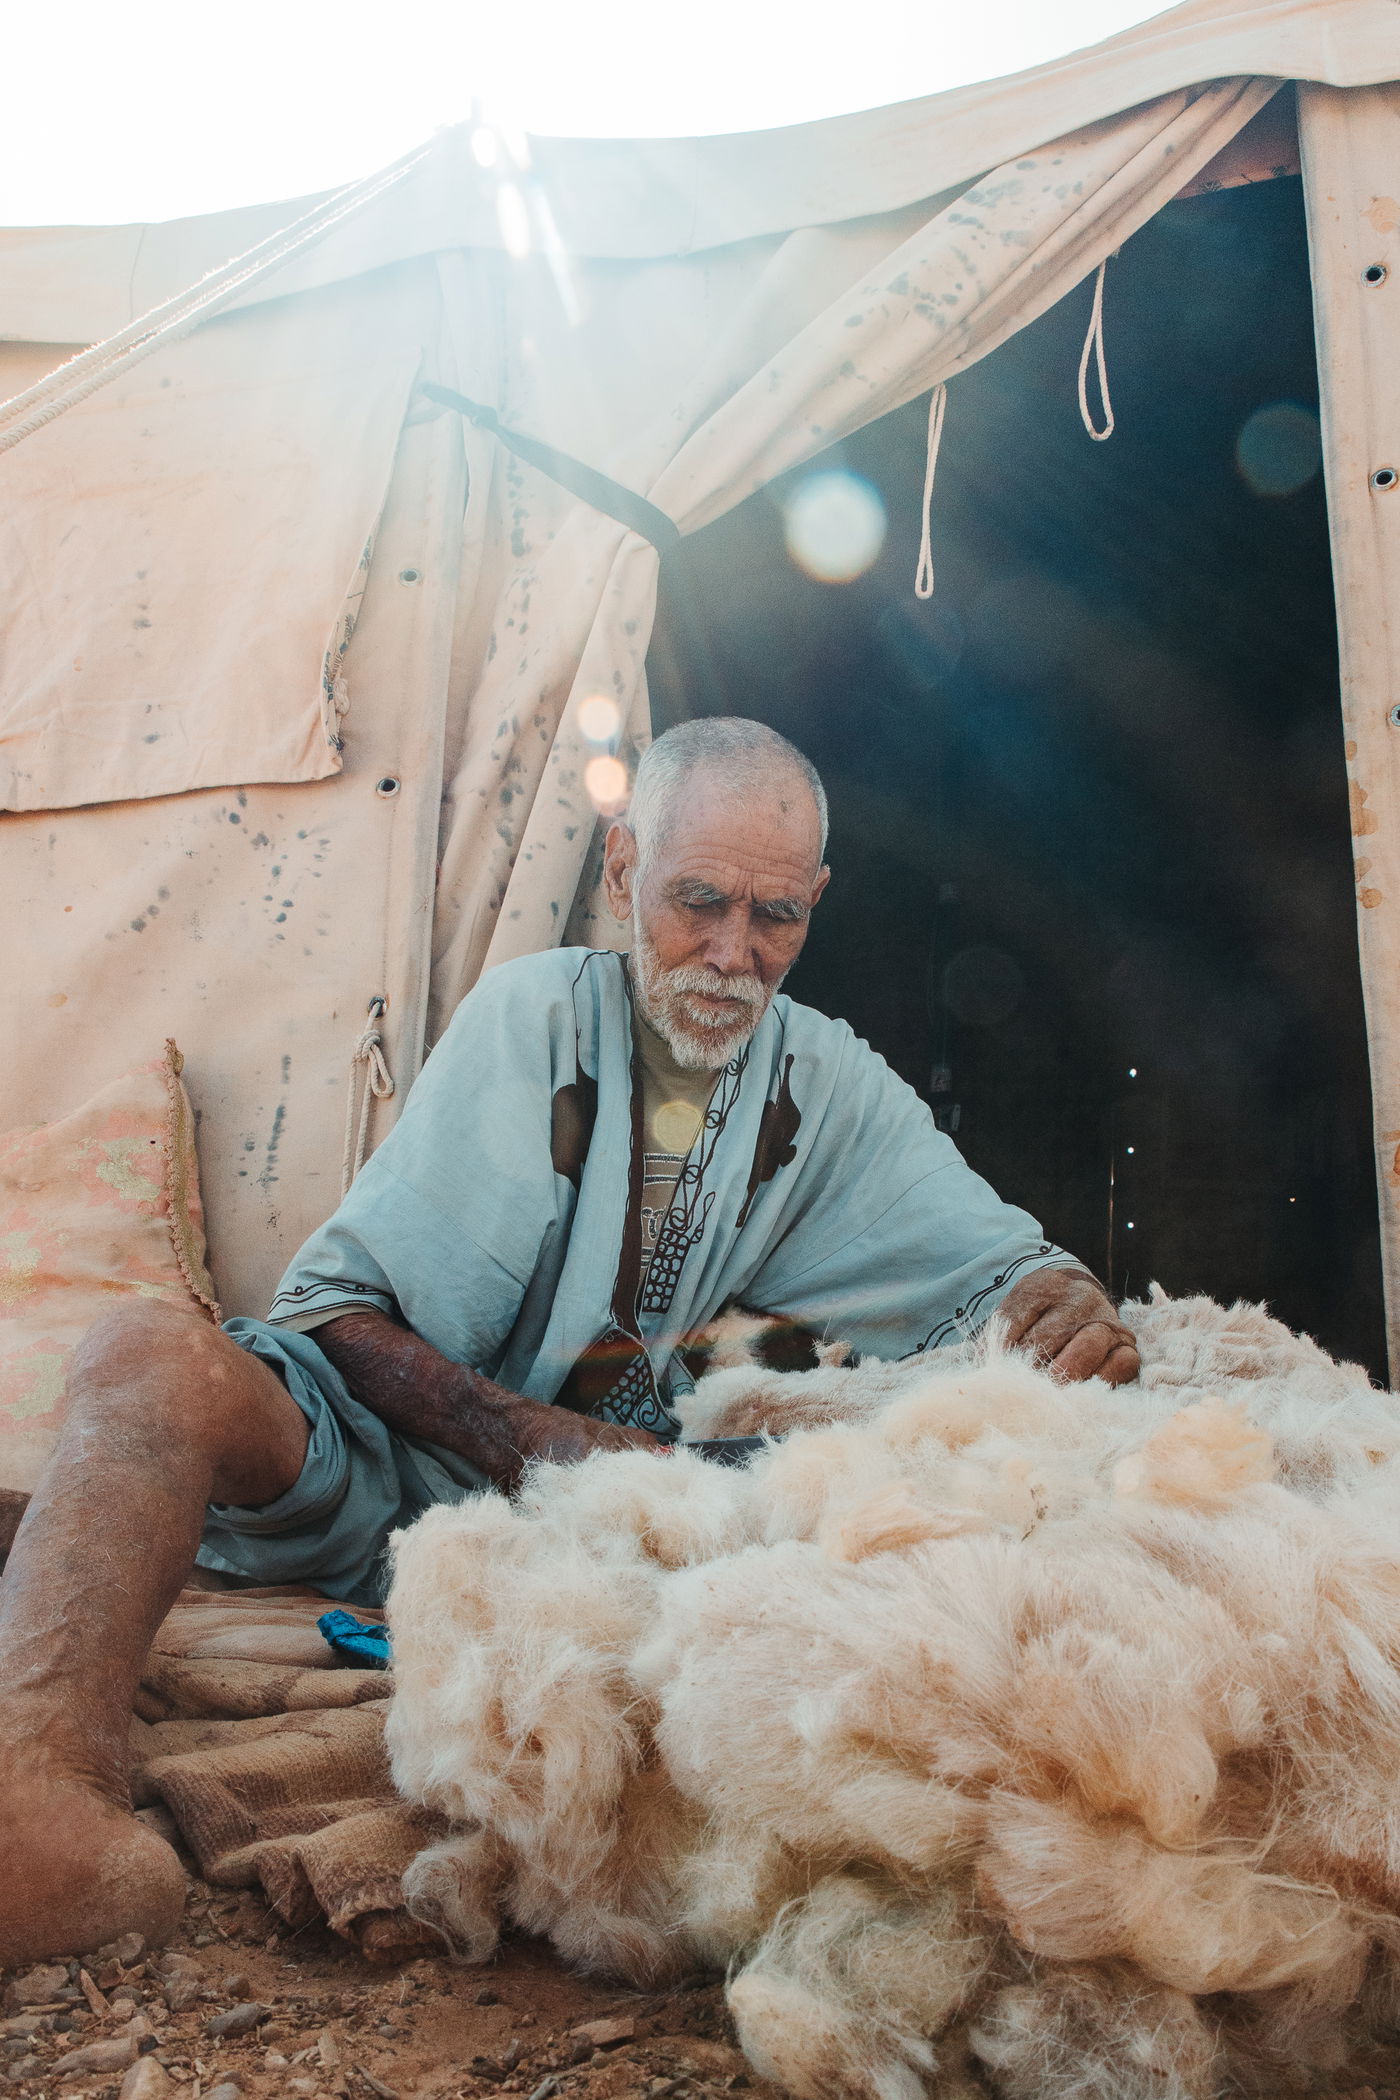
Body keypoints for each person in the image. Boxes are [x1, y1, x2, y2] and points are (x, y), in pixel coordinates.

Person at [0, 716, 1137, 1964]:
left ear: (815, 902)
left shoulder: (828, 1084)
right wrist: (543, 1440)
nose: (729, 954)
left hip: (578, 1543)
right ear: (619, 869)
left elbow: (997, 1264)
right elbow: (333, 1316)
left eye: (775, 919)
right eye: (694, 901)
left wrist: (1062, 1296)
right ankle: (38, 1785)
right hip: (371, 1455)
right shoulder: (532, 1013)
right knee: (144, 1357)